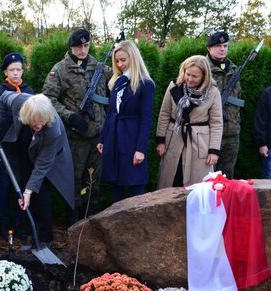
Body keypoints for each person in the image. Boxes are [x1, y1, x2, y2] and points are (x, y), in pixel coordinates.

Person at [0, 92, 74, 248]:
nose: (38, 125)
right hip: (26, 145)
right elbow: (2, 98)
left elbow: (42, 165)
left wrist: (29, 191)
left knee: (39, 191)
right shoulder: (19, 102)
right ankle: (29, 234)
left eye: (41, 122)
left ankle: (45, 237)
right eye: (34, 123)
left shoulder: (52, 129)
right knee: (24, 183)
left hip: (46, 153)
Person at [42, 28, 112, 222]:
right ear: (71, 47)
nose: (83, 50)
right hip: (75, 138)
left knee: (94, 182)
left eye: (86, 45)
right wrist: (70, 116)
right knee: (74, 180)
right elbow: (48, 98)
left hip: (98, 137)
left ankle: (90, 220)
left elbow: (118, 80)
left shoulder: (99, 67)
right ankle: (74, 222)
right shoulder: (60, 69)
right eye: (79, 46)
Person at [96, 40, 155, 203]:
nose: (119, 64)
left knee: (136, 186)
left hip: (132, 140)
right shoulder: (116, 82)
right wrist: (103, 139)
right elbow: (111, 113)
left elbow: (147, 119)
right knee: (116, 185)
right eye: (117, 60)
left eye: (123, 60)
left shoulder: (145, 84)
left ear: (133, 58)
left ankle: (138, 226)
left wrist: (141, 149)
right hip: (113, 138)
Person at [0, 52, 35, 239]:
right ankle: (5, 226)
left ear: (23, 71)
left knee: (23, 187)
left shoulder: (29, 91)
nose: (15, 73)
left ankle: (22, 226)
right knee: (6, 188)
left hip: (24, 148)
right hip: (5, 149)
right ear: (5, 72)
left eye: (18, 69)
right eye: (11, 70)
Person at [155, 55, 223, 189]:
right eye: (188, 74)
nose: (190, 79)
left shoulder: (213, 92)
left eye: (195, 76)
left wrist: (214, 151)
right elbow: (164, 114)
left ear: (204, 76)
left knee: (196, 186)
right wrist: (160, 141)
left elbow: (216, 123)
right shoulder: (174, 87)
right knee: (170, 180)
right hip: (174, 139)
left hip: (199, 144)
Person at [206, 31, 243, 178]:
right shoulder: (203, 69)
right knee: (207, 176)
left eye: (225, 45)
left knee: (227, 177)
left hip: (232, 132)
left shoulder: (234, 70)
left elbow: (238, 99)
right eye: (218, 46)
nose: (222, 49)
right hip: (210, 132)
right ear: (209, 48)